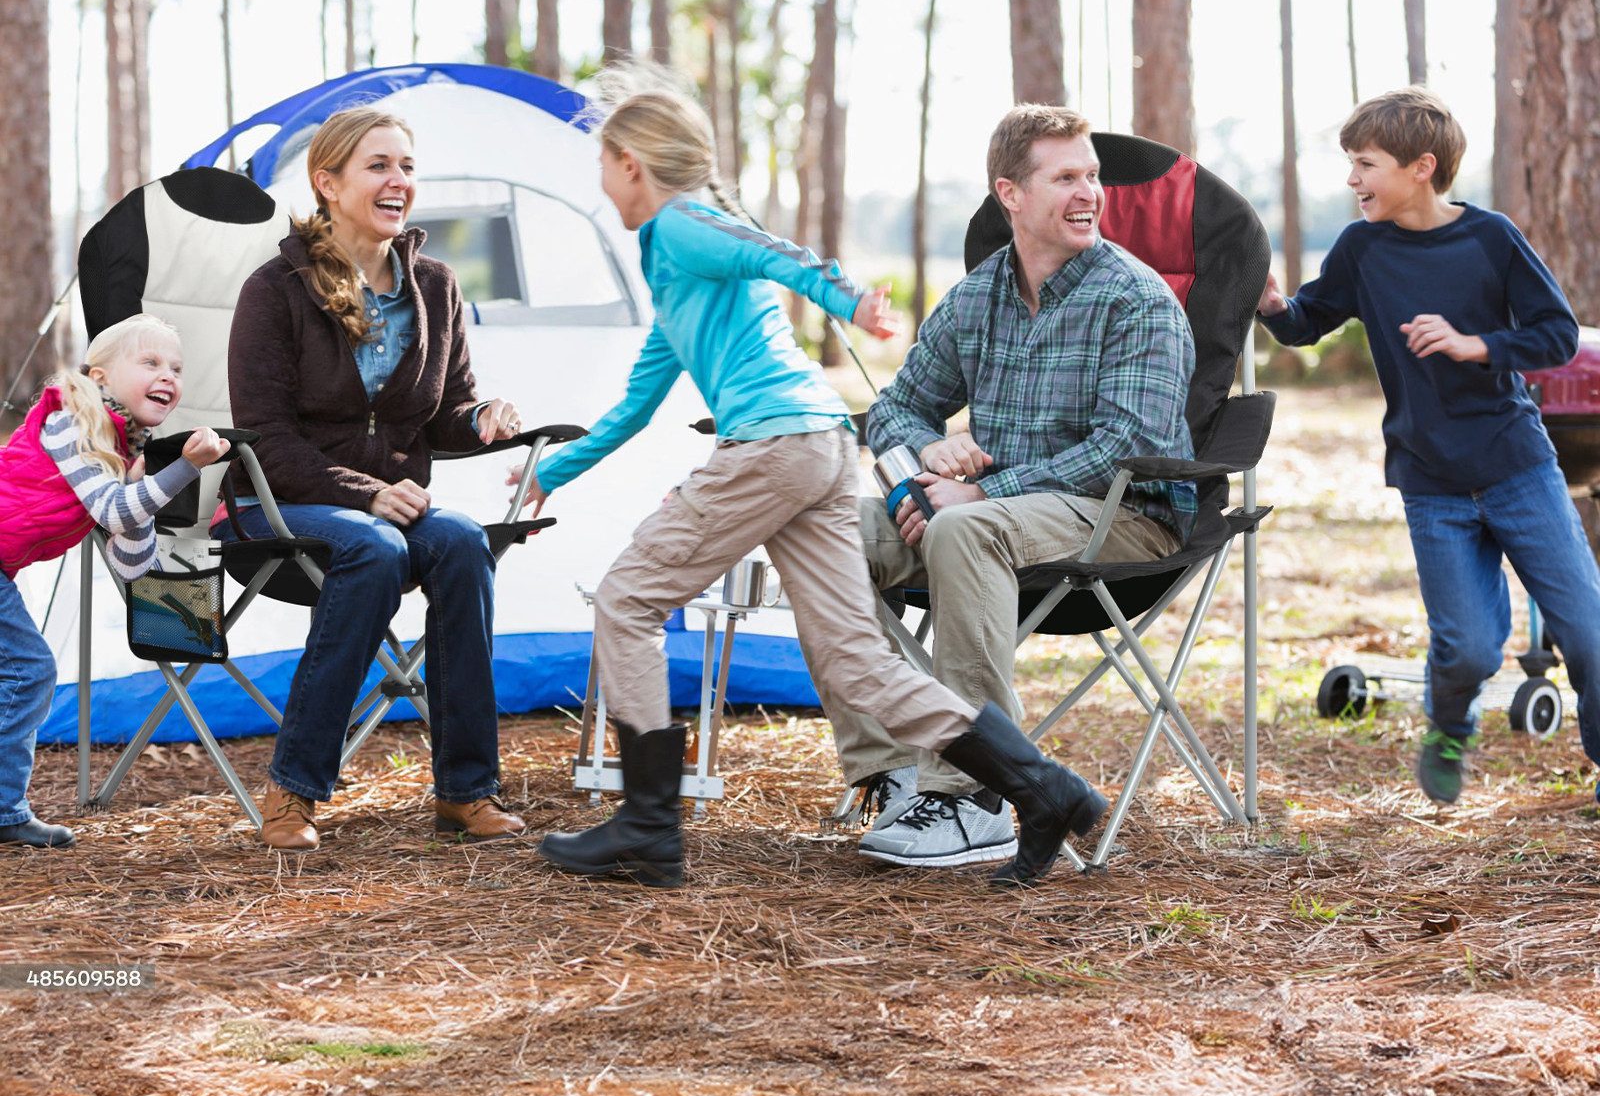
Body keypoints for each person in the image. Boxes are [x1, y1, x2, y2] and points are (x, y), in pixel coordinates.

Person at [523, 87, 1108, 890]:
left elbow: (772, 251)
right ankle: (1043, 788)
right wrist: (547, 474)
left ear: (632, 165)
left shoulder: (682, 224)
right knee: (858, 661)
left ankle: (648, 824)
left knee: (626, 599)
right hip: (821, 446)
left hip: (776, 446)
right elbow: (635, 403)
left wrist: (850, 302)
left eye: (604, 166)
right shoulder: (675, 269)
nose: (602, 183)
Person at [824, 104, 1198, 869]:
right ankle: (893, 774)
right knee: (821, 537)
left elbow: (1130, 445)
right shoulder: (977, 296)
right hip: (990, 522)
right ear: (1012, 194)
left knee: (965, 528)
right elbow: (896, 410)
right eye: (1065, 177)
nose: (1089, 192)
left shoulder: (1137, 299)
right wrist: (915, 477)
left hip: (1121, 519)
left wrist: (980, 496)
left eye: (1092, 176)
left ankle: (976, 797)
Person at [1257, 85, 1600, 806]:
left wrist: (1477, 345)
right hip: (1431, 482)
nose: (1352, 180)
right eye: (1351, 165)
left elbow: (1557, 335)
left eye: (1365, 164)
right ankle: (1449, 727)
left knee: (1588, 633)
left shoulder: (1490, 237)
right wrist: (1271, 305)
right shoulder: (1362, 248)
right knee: (1470, 648)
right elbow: (1305, 322)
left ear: (1421, 166)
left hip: (1517, 466)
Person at [222, 106, 525, 851]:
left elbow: (442, 411)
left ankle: (466, 791)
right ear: (327, 182)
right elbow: (263, 438)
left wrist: (480, 416)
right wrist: (364, 493)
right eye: (379, 166)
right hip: (280, 504)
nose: (399, 182)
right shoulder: (276, 289)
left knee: (458, 543)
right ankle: (293, 789)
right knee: (377, 548)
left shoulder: (435, 285)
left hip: (389, 506)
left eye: (407, 168)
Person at [0, 314, 230, 848]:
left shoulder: (120, 451)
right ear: (100, 377)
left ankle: (5, 810)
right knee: (30, 669)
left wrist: (146, 485)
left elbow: (130, 563)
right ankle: (4, 810)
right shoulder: (71, 422)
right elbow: (112, 509)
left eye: (175, 366)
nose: (168, 375)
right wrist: (183, 471)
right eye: (149, 362)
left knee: (23, 671)